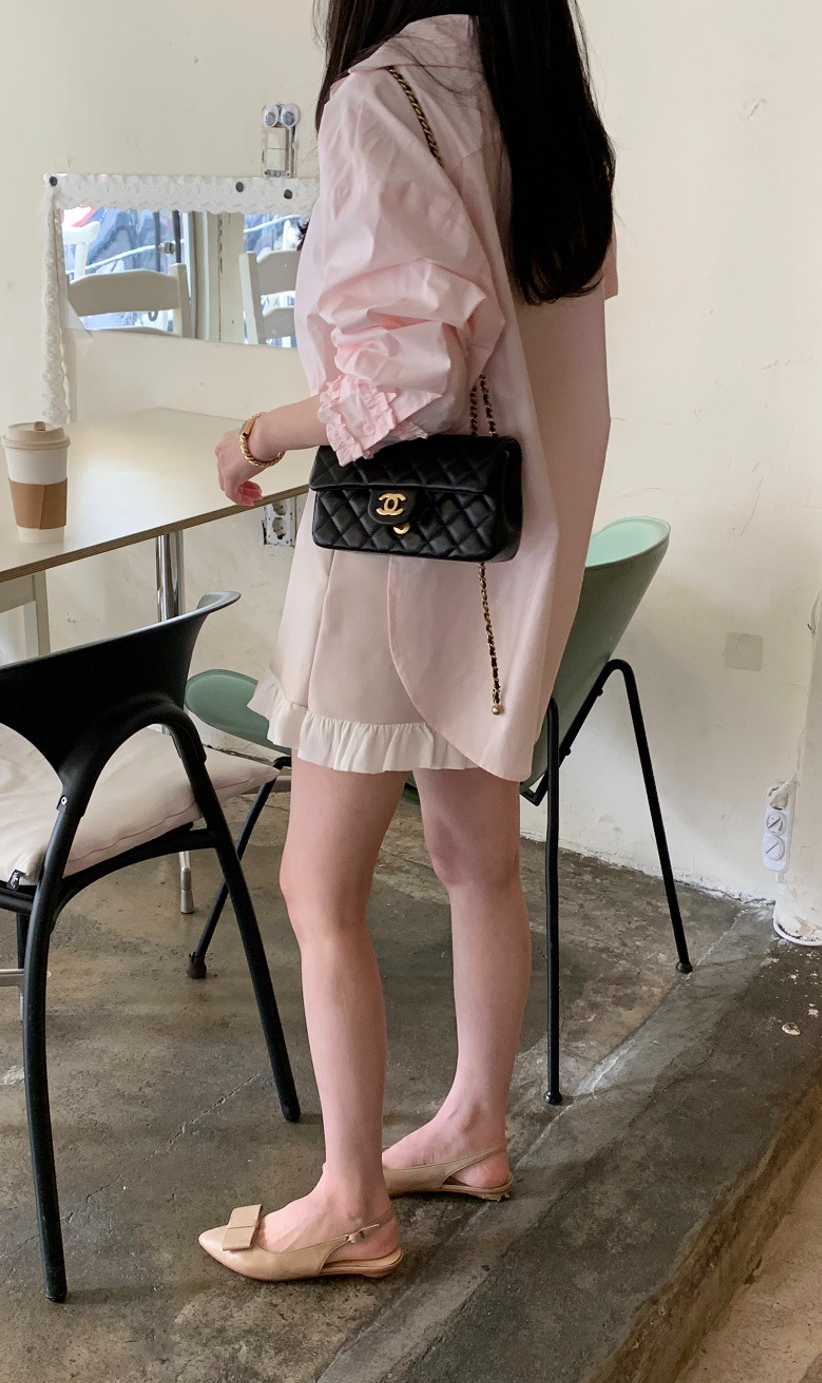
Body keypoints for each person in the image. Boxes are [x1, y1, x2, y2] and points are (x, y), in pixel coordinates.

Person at [201, 0, 616, 1282]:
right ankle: (476, 1127)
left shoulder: (385, 95)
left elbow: (406, 379)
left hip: (400, 549)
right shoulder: (543, 98)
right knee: (474, 858)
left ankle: (351, 1205)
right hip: (510, 548)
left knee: (316, 886)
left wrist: (261, 433)